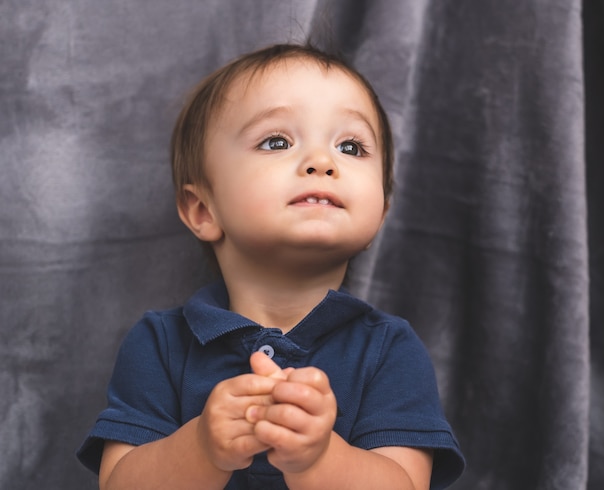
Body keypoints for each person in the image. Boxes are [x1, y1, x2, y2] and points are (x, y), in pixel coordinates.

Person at [77, 43, 465, 490]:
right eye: (276, 141)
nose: (323, 162)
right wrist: (201, 449)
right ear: (203, 209)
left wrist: (319, 460)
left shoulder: (390, 350)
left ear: (379, 214)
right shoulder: (160, 345)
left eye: (351, 146)